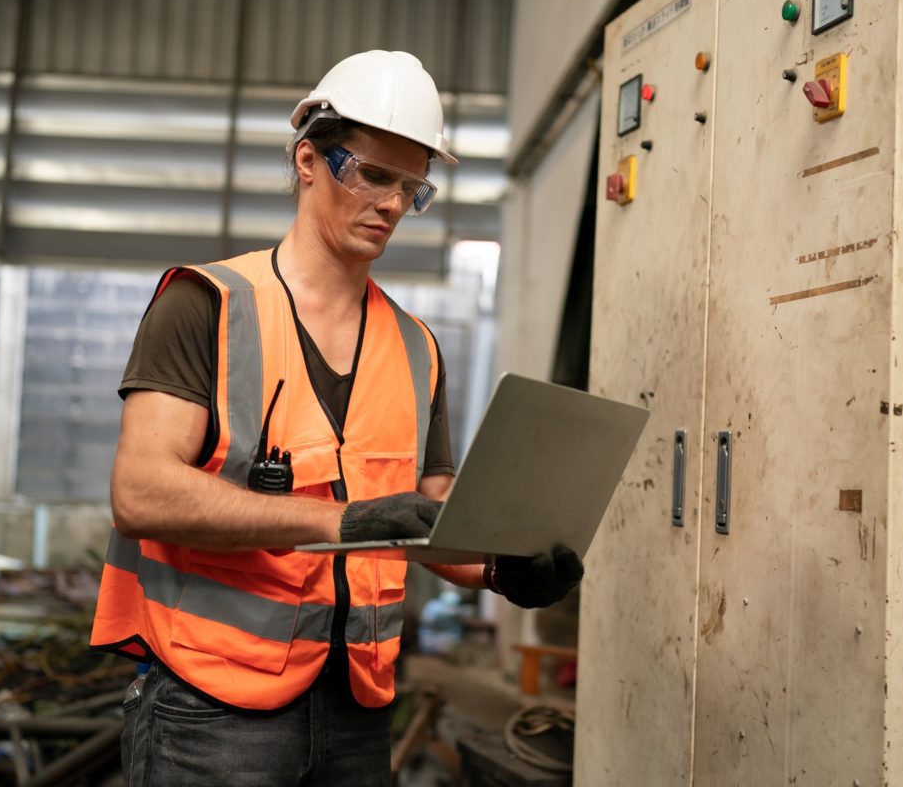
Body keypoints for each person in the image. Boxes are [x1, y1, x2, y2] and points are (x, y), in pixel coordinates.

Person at [90, 50, 584, 786]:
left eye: (411, 187)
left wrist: (497, 567)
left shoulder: (416, 347)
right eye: (372, 174)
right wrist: (332, 523)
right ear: (308, 160)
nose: (390, 203)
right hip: (209, 705)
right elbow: (140, 494)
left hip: (357, 707)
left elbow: (426, 516)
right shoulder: (205, 306)